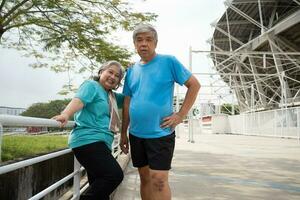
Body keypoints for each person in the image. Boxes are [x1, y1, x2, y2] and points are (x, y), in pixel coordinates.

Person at [120, 24, 201, 200]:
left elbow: (194, 85)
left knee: (159, 180)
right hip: (136, 134)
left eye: (148, 39)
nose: (144, 44)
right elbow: (127, 102)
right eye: (139, 40)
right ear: (134, 44)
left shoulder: (169, 61)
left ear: (155, 43)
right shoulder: (131, 70)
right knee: (144, 178)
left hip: (160, 132)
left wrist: (181, 115)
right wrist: (123, 133)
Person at [52, 61, 125, 200]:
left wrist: (134, 74)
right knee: (114, 175)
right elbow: (79, 100)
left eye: (117, 76)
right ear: (100, 72)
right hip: (88, 140)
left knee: (100, 190)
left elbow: (131, 96)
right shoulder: (92, 86)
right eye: (110, 72)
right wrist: (66, 114)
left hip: (102, 143)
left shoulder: (113, 97)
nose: (113, 77)